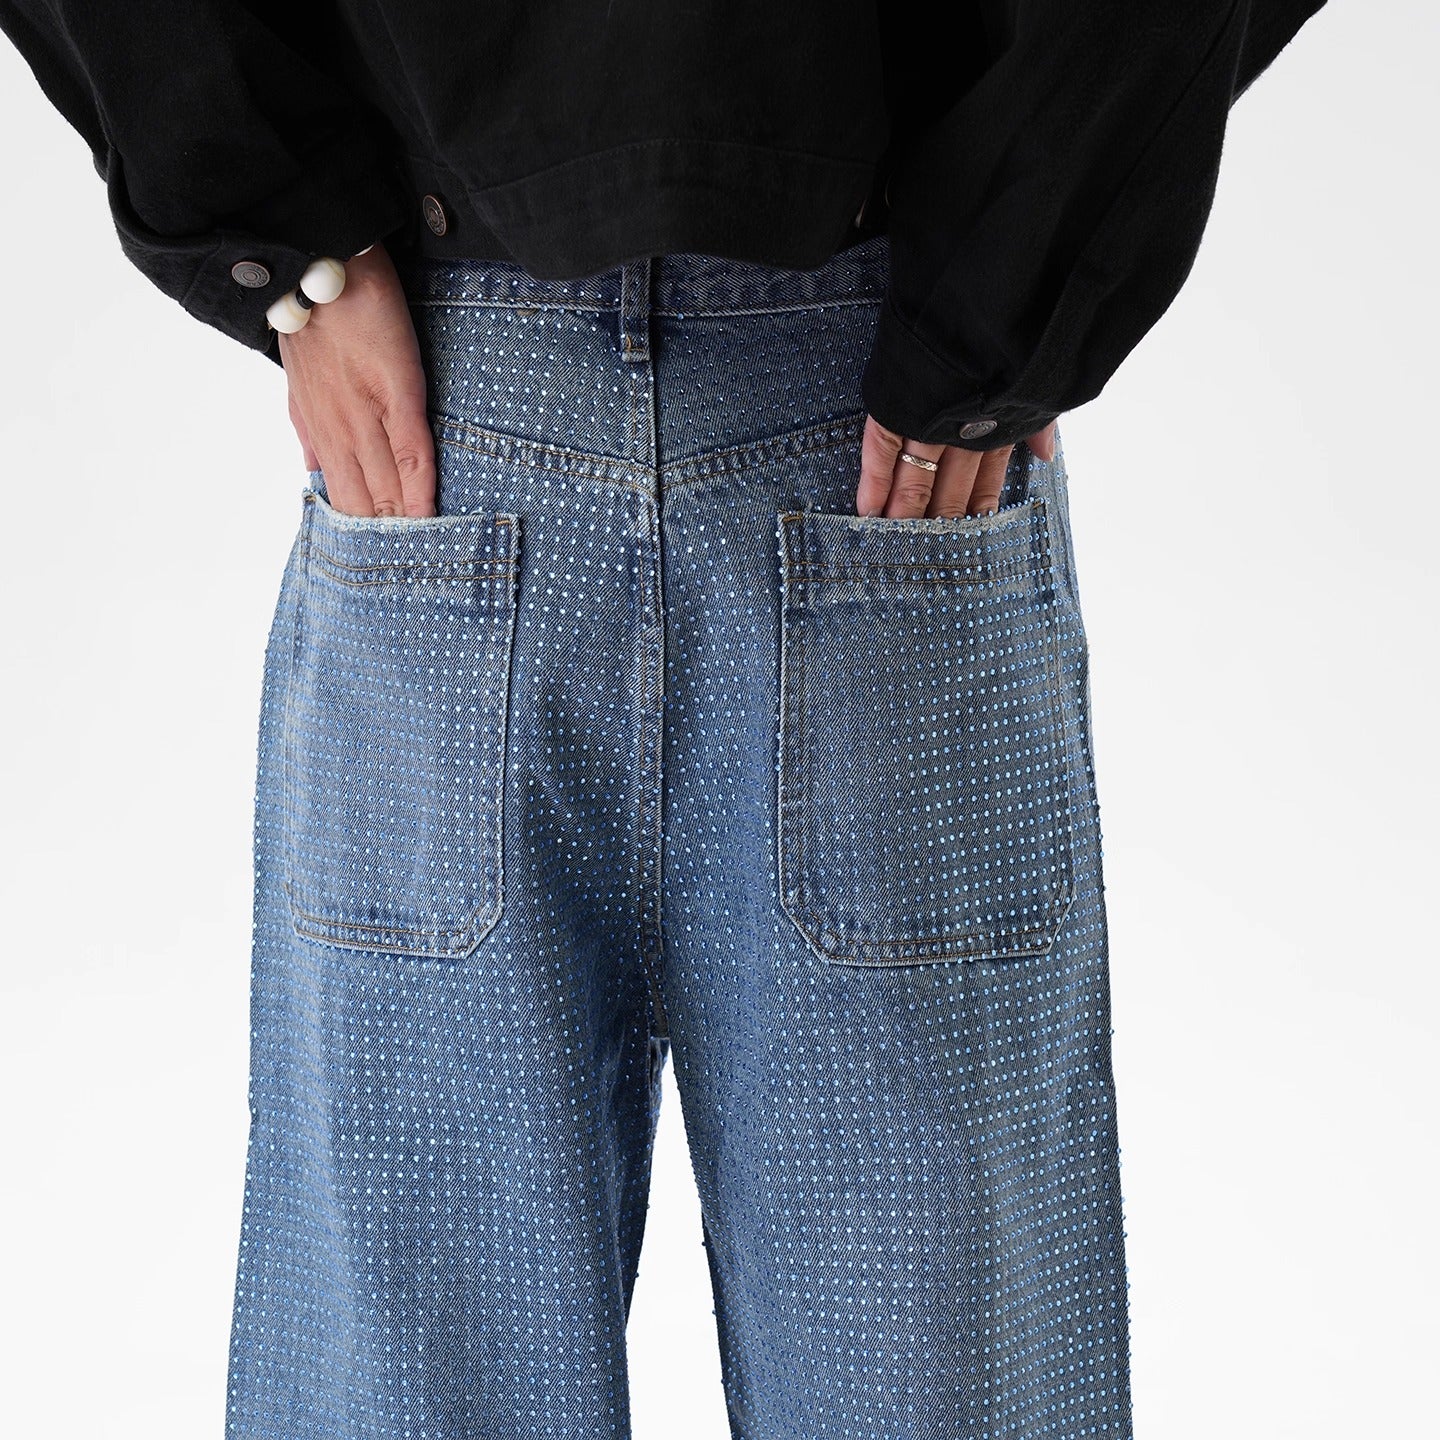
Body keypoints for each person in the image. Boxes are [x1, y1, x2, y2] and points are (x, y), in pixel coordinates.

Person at [0, 3, 1328, 1437]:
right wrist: (1010, 279)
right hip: (826, 440)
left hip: (490, 440)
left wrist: (289, 244)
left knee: (411, 1393)